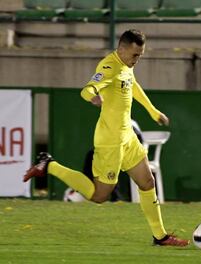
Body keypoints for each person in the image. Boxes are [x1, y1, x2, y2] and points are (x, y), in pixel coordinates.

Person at [24, 29, 189, 247]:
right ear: (121, 49)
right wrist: (93, 95)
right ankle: (49, 165)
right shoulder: (109, 66)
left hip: (127, 136)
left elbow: (134, 87)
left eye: (140, 55)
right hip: (110, 141)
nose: (137, 60)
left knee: (148, 182)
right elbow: (86, 89)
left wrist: (153, 112)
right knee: (99, 195)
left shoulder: (127, 66)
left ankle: (160, 236)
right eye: (135, 55)